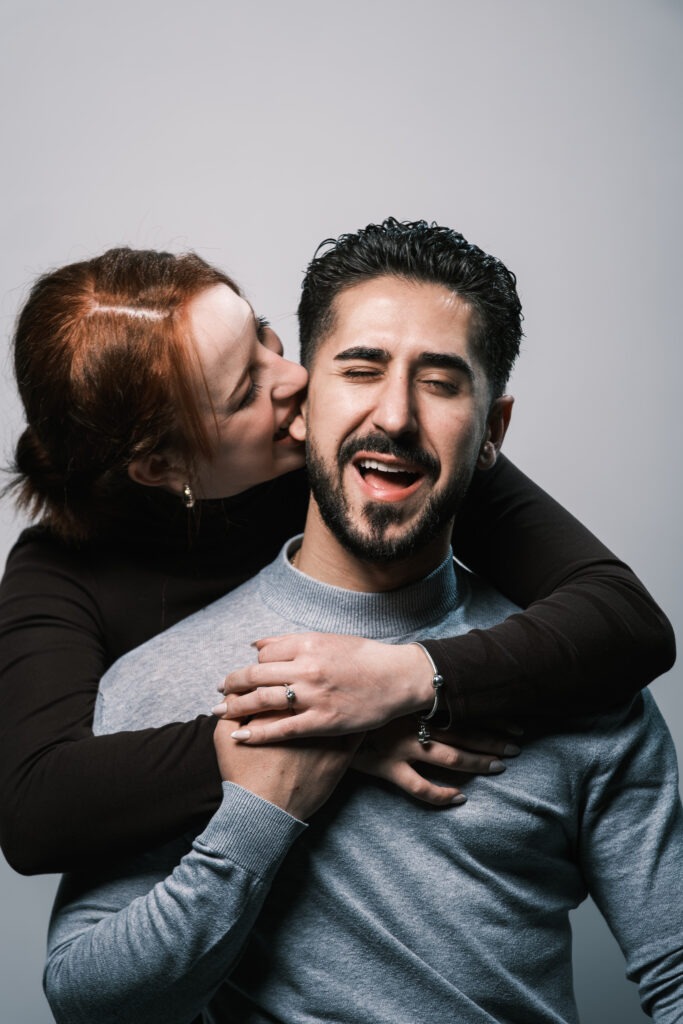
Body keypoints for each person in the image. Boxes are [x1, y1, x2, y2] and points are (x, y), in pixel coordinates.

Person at [44, 221, 682, 1023]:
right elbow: (86, 1001)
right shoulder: (153, 681)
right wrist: (259, 811)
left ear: (492, 432)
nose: (396, 416)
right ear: (304, 405)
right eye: (360, 369)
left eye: (440, 382)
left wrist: (411, 678)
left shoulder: (578, 676)